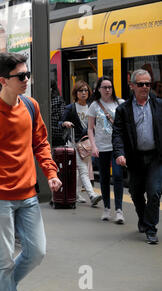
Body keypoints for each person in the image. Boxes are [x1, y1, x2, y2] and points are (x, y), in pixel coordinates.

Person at [0, 52, 61, 291]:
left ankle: (2, 284)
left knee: (37, 252)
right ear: (3, 80)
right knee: (5, 257)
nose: (27, 79)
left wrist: (50, 172)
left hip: (28, 195)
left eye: (27, 74)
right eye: (21, 76)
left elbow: (40, 143)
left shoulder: (31, 106)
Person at [113, 69, 162, 245]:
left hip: (156, 157)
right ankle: (143, 218)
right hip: (135, 158)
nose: (145, 87)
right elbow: (117, 133)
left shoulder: (158, 105)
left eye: (148, 84)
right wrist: (119, 153)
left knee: (154, 192)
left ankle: (151, 229)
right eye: (140, 84)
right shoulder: (123, 109)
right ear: (132, 85)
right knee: (135, 192)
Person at [88, 76, 125, 224]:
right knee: (103, 178)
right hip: (101, 147)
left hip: (117, 147)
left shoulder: (120, 103)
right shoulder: (94, 106)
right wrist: (93, 146)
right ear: (99, 89)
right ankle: (107, 209)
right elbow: (90, 129)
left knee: (117, 176)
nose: (108, 90)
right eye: (104, 87)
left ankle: (119, 210)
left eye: (110, 87)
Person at [61, 80, 102, 206]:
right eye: (80, 91)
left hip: (87, 143)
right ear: (76, 93)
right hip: (74, 143)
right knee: (83, 169)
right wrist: (65, 123)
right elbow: (60, 122)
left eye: (85, 90)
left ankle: (77, 194)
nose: (83, 93)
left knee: (79, 170)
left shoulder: (92, 107)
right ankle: (92, 194)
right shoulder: (70, 108)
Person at [50, 80, 66, 147]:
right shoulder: (59, 99)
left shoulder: (43, 99)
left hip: (48, 130)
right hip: (58, 131)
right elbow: (62, 115)